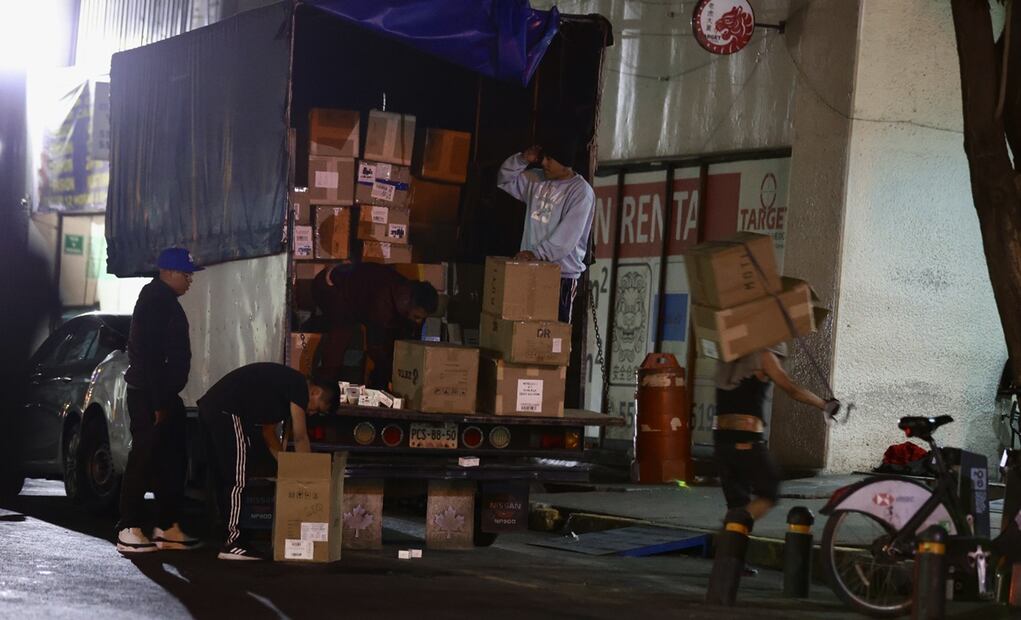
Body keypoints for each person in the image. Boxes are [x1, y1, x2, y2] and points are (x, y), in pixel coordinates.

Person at [198, 362, 339, 560]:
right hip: (227, 410)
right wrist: (309, 478)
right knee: (238, 477)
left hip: (212, 408)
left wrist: (287, 469)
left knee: (225, 476)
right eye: (317, 409)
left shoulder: (281, 389)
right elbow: (300, 436)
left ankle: (231, 538)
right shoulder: (299, 385)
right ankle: (234, 542)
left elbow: (268, 433)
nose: (312, 413)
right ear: (315, 392)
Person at [116, 247, 203, 554]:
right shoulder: (155, 301)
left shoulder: (164, 300)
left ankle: (167, 527)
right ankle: (129, 527)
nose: (189, 280)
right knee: (145, 457)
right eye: (186, 274)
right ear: (167, 272)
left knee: (172, 459)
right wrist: (157, 402)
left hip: (164, 394)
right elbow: (150, 355)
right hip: (149, 394)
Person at [714, 348, 840, 525]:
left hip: (721, 440)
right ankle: (726, 535)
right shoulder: (763, 355)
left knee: (738, 504)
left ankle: (728, 547)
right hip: (746, 439)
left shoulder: (725, 354)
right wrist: (823, 404)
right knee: (769, 490)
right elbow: (792, 389)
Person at [497, 131, 595, 324]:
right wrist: (522, 159)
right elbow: (504, 180)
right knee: (523, 334)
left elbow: (566, 238)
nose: (544, 163)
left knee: (550, 339)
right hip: (530, 269)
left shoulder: (580, 192)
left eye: (550, 159)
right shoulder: (537, 179)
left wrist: (536, 254)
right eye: (544, 158)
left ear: (565, 163)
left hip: (560, 276)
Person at [312, 262, 438, 387]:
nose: (419, 322)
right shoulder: (382, 304)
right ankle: (325, 384)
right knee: (343, 329)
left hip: (358, 291)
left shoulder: (409, 297)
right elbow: (375, 346)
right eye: (416, 317)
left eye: (422, 318)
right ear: (407, 303)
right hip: (330, 285)